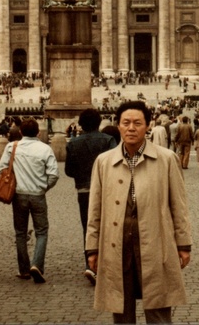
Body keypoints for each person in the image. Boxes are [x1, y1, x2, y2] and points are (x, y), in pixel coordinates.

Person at [86, 100, 192, 323]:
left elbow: (179, 206)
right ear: (118, 125)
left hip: (155, 242)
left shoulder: (167, 159)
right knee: (122, 313)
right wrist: (92, 248)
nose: (131, 128)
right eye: (126, 123)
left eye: (137, 123)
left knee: (158, 310)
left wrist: (183, 244)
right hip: (118, 244)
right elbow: (94, 211)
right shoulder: (103, 162)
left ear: (148, 125)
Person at [0, 118, 59, 283]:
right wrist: (44, 187)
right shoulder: (45, 148)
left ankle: (23, 269)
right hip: (38, 194)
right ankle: (37, 264)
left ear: (21, 132)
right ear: (38, 132)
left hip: (19, 194)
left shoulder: (12, 146)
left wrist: (13, 177)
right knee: (42, 232)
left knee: (20, 232)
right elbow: (54, 174)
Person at [65, 109, 117, 285]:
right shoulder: (109, 140)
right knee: (109, 226)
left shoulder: (73, 143)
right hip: (106, 190)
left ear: (80, 124)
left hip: (84, 190)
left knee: (88, 227)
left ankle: (90, 264)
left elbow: (69, 171)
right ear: (99, 122)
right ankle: (109, 265)